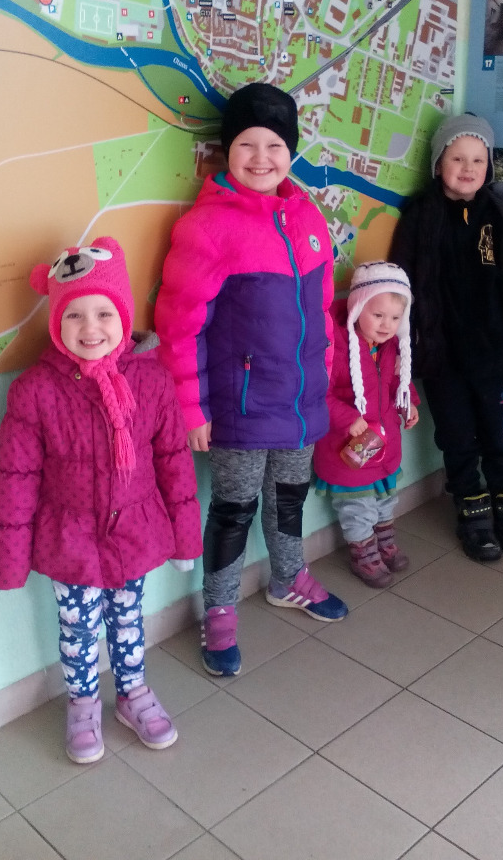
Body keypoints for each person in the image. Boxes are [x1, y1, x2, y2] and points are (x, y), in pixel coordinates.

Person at [155, 82, 348, 679]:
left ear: (291, 151)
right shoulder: (207, 227)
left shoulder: (310, 217)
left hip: (300, 403)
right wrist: (192, 410)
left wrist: (326, 378)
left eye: (274, 145)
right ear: (227, 150)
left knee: (290, 496)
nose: (261, 158)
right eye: (247, 144)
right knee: (234, 509)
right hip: (238, 408)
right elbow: (179, 327)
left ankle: (288, 579)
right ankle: (219, 612)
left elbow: (322, 311)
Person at [0, 236, 202, 764]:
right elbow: (15, 478)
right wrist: (9, 562)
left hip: (135, 533)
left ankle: (132, 693)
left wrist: (184, 539)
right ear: (56, 323)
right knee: (78, 628)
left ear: (123, 317)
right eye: (75, 315)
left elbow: (174, 462)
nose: (91, 328)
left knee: (128, 619)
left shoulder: (151, 380)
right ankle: (82, 703)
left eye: (104, 313)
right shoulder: (35, 391)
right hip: (70, 541)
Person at [389, 113, 503, 562]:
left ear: (489, 166)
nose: (468, 168)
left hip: (498, 356)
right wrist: (401, 349)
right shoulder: (420, 217)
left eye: (478, 160)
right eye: (457, 158)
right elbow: (400, 287)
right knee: (457, 439)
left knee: (500, 439)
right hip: (442, 356)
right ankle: (472, 515)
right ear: (438, 163)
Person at [314, 262, 420, 587]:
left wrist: (408, 402)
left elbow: (396, 380)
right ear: (358, 307)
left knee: (386, 498)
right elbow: (317, 393)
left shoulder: (389, 346)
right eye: (378, 315)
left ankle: (384, 541)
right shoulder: (334, 345)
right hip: (346, 446)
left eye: (395, 318)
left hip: (383, 443)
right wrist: (347, 418)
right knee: (357, 506)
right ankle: (363, 552)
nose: (387, 325)